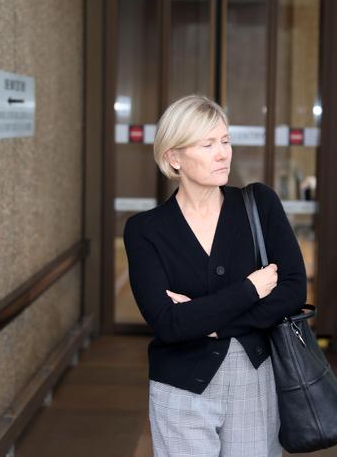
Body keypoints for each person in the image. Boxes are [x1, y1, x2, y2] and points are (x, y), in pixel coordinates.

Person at [123, 95, 307, 457]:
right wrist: (251, 289)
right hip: (179, 386)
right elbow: (168, 324)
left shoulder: (259, 205)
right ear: (173, 157)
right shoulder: (145, 230)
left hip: (253, 379)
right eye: (208, 144)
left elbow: (292, 290)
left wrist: (206, 320)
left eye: (225, 141)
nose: (223, 153)